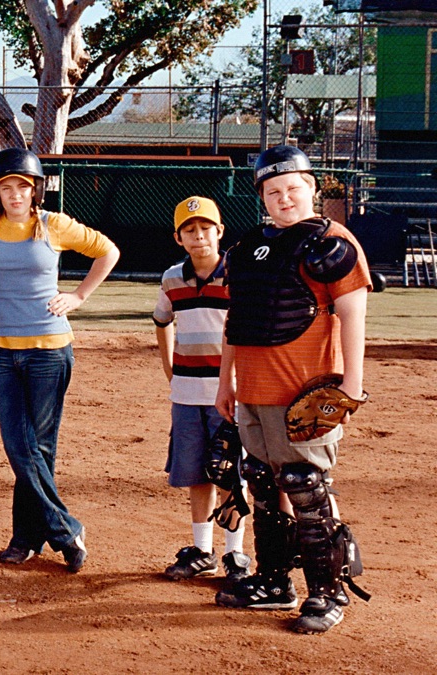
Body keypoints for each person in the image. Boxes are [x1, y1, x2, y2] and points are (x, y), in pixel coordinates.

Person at [214, 145, 371, 634]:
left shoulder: (334, 242)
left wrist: (352, 387)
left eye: (293, 188)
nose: (284, 198)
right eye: (273, 190)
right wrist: (226, 382)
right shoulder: (249, 247)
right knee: (262, 482)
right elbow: (237, 323)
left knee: (305, 486)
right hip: (254, 390)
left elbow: (353, 317)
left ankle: (328, 592)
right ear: (261, 195)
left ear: (313, 188)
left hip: (304, 391)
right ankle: (274, 580)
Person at [0, 148, 119, 573]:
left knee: (38, 448)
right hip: (4, 352)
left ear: (36, 190)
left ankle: (25, 538)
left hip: (50, 350)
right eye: (6, 187)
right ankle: (66, 529)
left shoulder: (53, 225)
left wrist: (78, 296)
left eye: (23, 186)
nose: (15, 194)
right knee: (19, 445)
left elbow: (108, 252)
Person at [153, 196, 250, 583]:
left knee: (231, 473)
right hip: (187, 393)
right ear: (178, 238)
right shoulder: (171, 278)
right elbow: (162, 321)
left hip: (229, 395)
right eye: (189, 231)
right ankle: (203, 550)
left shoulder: (237, 275)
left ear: (220, 232)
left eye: (206, 228)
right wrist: (170, 372)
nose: (198, 237)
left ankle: (235, 554)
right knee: (196, 474)